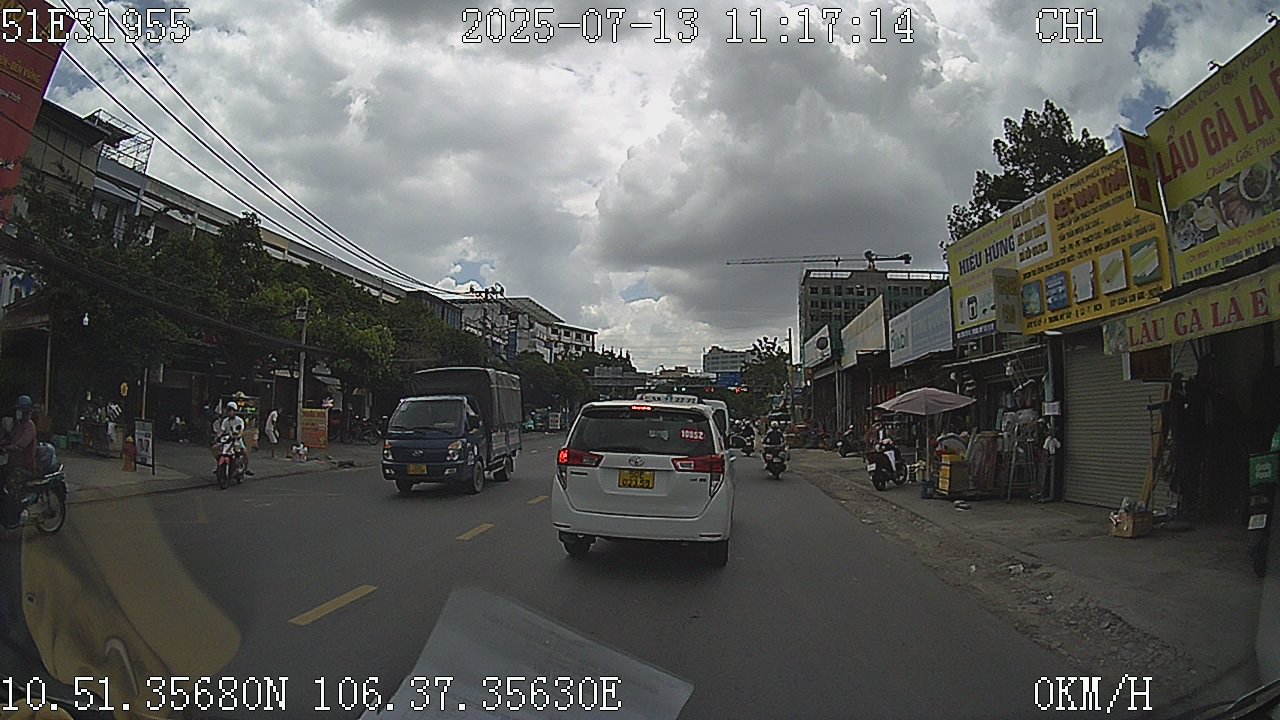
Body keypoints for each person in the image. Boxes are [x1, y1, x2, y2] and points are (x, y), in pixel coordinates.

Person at [1, 395, 37, 527]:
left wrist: (6, 449)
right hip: (13, 464)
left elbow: (20, 446)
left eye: (20, 410)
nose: (18, 412)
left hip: (25, 467)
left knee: (10, 487)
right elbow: (10, 439)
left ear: (26, 411)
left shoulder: (29, 426)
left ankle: (13, 517)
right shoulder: (19, 425)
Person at [215, 402, 254, 477]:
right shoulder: (225, 421)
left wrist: (239, 435)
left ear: (234, 411)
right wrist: (217, 437)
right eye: (228, 410)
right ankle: (220, 464)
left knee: (245, 453)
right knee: (215, 448)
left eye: (231, 410)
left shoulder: (239, 420)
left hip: (237, 441)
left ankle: (246, 469)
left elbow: (241, 430)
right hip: (227, 441)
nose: (229, 412)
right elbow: (222, 431)